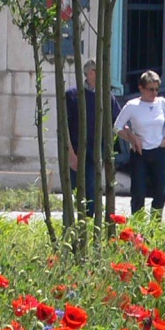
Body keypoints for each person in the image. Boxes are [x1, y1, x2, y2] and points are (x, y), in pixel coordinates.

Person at [115, 70, 165, 216]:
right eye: (150, 89)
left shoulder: (163, 103)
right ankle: (138, 227)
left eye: (156, 89)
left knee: (160, 194)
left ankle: (155, 225)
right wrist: (132, 138)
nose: (154, 93)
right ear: (141, 88)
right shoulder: (132, 105)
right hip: (139, 153)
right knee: (138, 194)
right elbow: (117, 127)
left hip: (159, 151)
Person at [62, 63, 100, 216]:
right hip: (76, 152)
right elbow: (64, 128)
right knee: (75, 193)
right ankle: (73, 230)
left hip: (95, 153)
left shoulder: (105, 95)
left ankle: (88, 229)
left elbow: (116, 123)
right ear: (91, 73)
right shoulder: (72, 95)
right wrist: (71, 155)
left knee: (92, 193)